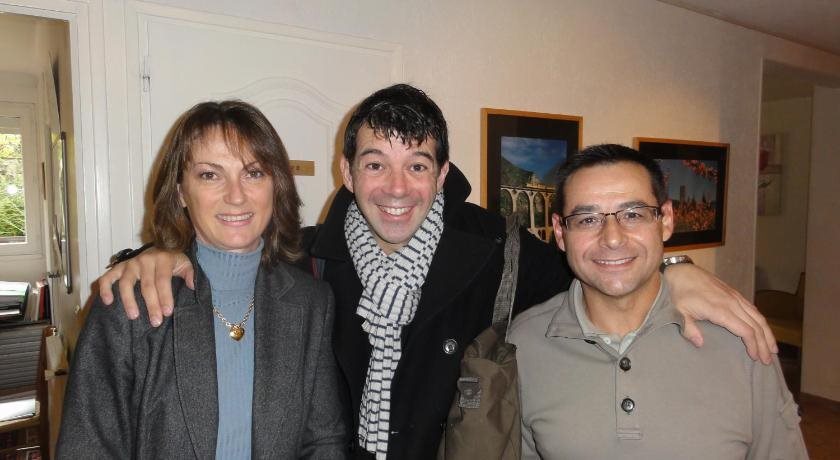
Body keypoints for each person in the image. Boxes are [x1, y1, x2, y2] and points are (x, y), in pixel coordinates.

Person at [96, 85, 775, 460]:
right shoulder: (308, 257)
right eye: (375, 164)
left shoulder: (500, 251)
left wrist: (675, 270)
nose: (397, 188)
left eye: (417, 165)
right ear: (347, 172)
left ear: (443, 174)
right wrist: (152, 256)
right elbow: (226, 257)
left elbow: (603, 264)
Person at [57, 101, 347, 458]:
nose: (236, 195)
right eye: (210, 175)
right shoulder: (130, 302)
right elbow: (88, 448)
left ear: (276, 185)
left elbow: (323, 441)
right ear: (181, 191)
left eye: (254, 173)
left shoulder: (311, 301)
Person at [510, 144, 806, 459]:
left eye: (633, 215)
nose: (612, 238)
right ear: (560, 232)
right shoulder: (525, 344)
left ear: (665, 220)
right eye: (587, 220)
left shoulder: (741, 340)